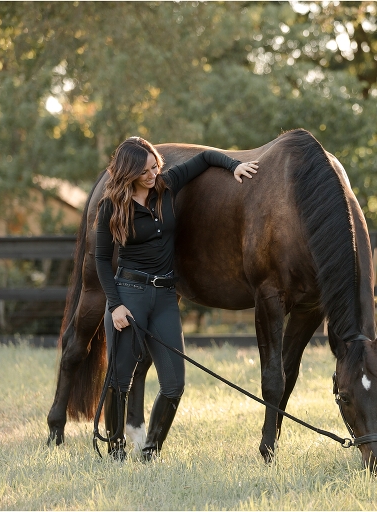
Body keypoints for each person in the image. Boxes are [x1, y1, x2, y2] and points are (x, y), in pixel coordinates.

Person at [95, 136, 259, 461]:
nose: (153, 173)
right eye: (145, 171)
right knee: (119, 378)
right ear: (129, 173)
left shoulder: (167, 186)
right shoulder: (111, 207)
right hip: (130, 295)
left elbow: (209, 155)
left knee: (174, 385)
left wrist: (235, 165)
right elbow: (101, 259)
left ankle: (151, 451)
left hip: (166, 296)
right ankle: (115, 448)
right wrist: (115, 305)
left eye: (155, 166)